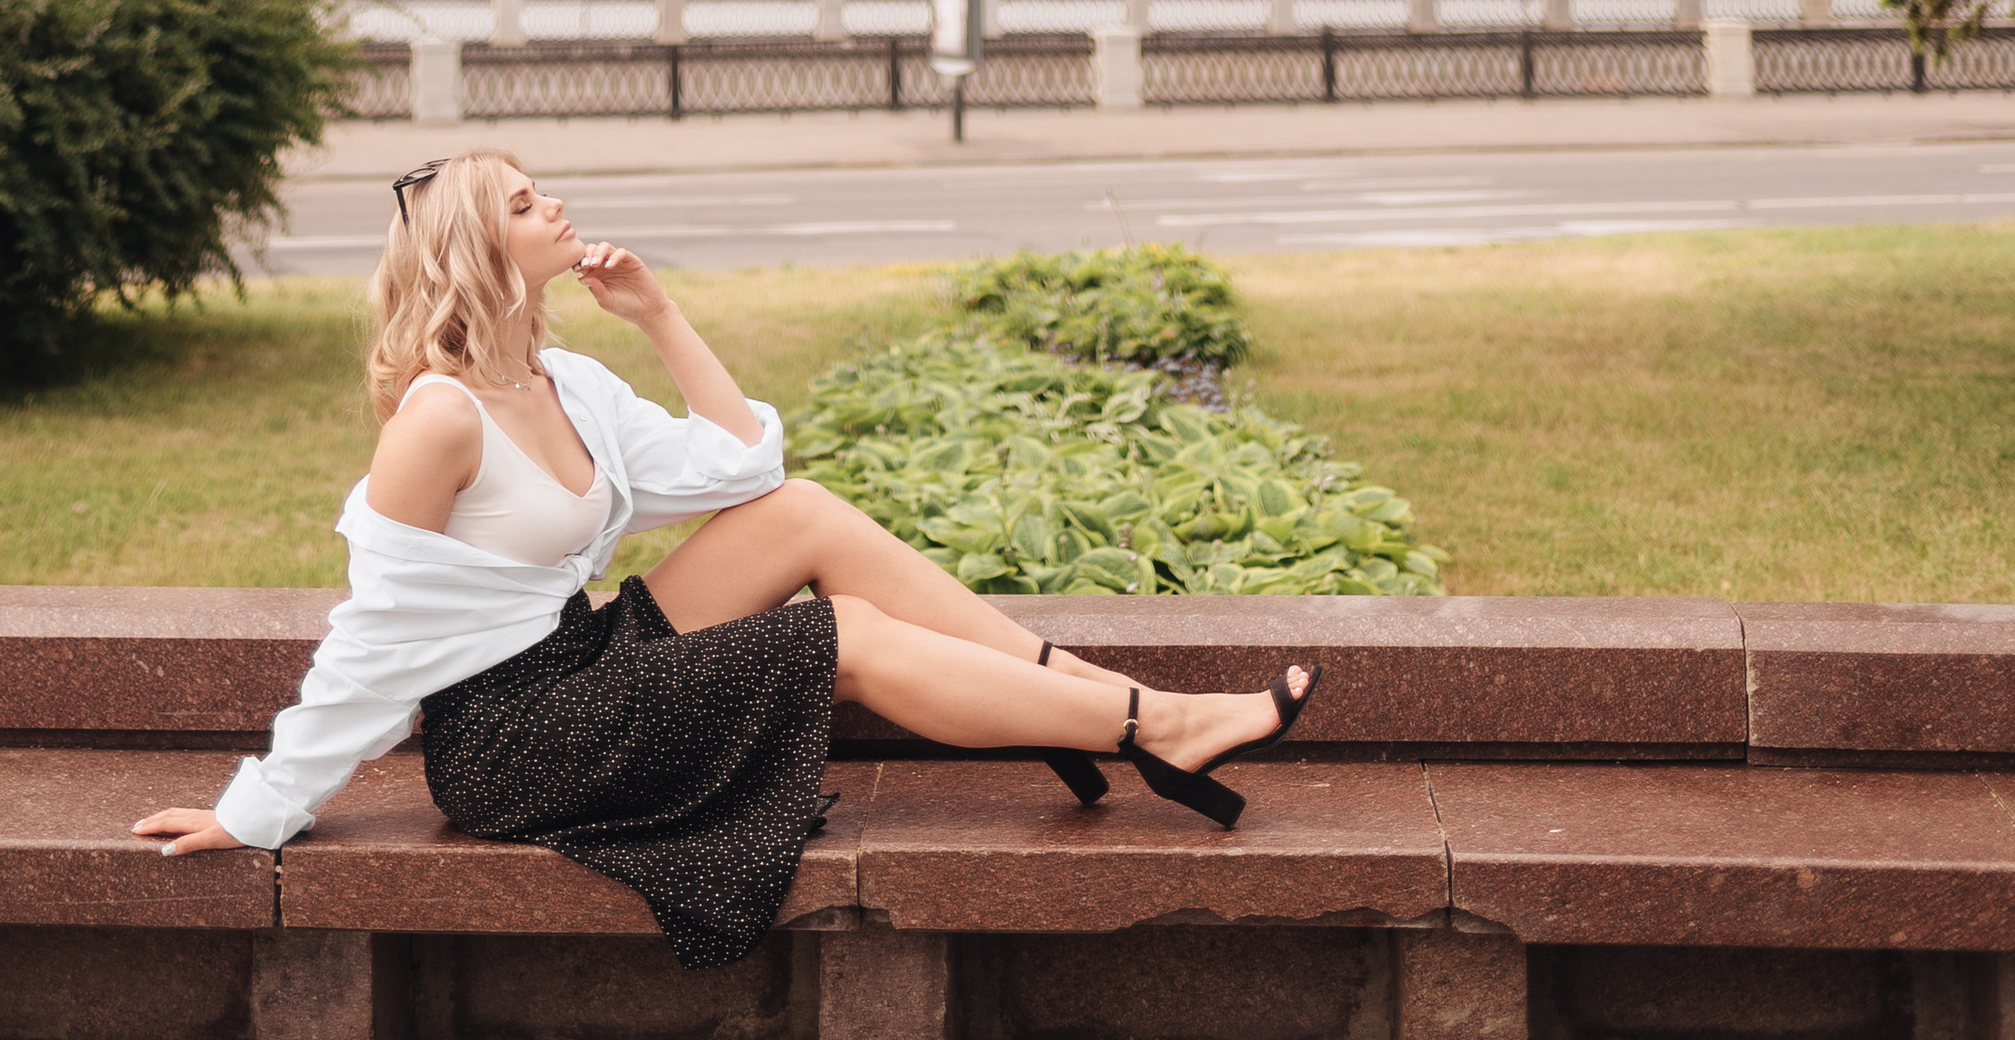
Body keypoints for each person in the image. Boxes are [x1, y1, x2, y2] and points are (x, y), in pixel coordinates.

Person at [133, 151, 1313, 971]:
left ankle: (1097, 706)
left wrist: (656, 316)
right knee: (837, 636)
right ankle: (1150, 728)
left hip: (577, 660)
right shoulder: (440, 417)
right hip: (511, 739)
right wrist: (262, 807)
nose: (558, 207)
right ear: (475, 244)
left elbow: (748, 468)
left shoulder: (564, 381)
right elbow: (376, 635)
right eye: (528, 201)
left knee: (801, 511)